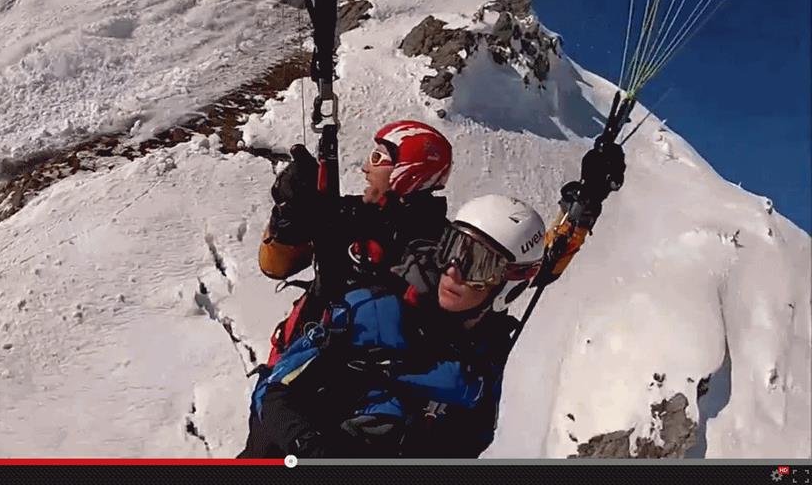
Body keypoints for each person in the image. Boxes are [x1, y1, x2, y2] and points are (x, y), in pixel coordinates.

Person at [239, 140, 626, 458]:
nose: (455, 269)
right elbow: (274, 392)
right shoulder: (372, 313)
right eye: (453, 248)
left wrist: (584, 206)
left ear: (507, 283)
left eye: (478, 263)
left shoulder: (483, 361)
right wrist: (311, 450)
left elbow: (542, 264)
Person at [257, 120, 453, 368]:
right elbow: (275, 266)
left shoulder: (432, 249)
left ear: (407, 171)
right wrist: (289, 213)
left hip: (342, 375)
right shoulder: (359, 214)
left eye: (377, 157)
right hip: (300, 353)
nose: (365, 168)